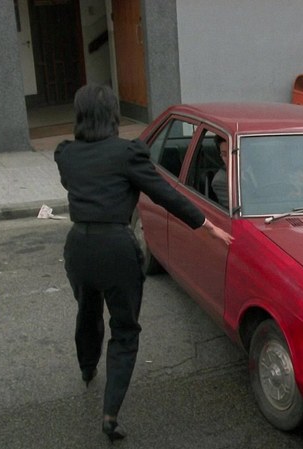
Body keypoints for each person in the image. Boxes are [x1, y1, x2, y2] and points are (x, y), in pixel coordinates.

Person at [54, 85, 233, 442]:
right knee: (124, 329)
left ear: (80, 115)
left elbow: (72, 182)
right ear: (113, 115)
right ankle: (110, 414)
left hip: (78, 246)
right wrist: (207, 225)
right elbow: (165, 194)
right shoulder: (128, 153)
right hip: (116, 248)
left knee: (87, 309)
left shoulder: (66, 154)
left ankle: (87, 369)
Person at [210, 136, 229, 208]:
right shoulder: (220, 180)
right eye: (224, 154)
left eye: (232, 153)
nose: (229, 158)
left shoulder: (255, 167)